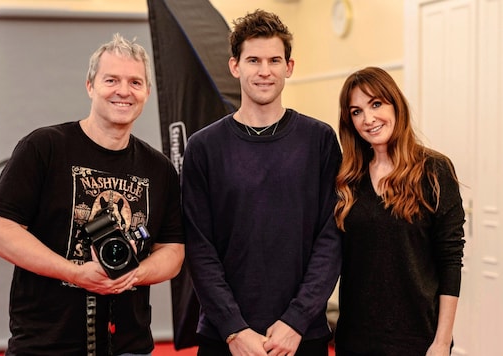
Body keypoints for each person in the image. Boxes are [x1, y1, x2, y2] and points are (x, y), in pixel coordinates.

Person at [0, 33, 185, 356]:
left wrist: (135, 274)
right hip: (45, 345)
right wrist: (76, 273)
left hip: (128, 346)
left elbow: (173, 250)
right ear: (90, 86)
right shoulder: (43, 148)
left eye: (135, 82)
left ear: (148, 91)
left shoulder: (159, 169)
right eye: (111, 80)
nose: (123, 91)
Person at [181, 9, 343, 356]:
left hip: (301, 336)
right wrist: (234, 328)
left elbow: (331, 238)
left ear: (290, 67)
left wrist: (297, 320)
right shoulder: (203, 147)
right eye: (253, 60)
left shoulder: (319, 140)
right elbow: (199, 247)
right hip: (224, 337)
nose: (265, 71)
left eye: (274, 60)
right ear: (235, 66)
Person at [333, 66, 465, 356]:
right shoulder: (347, 180)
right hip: (356, 338)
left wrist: (442, 342)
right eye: (356, 111)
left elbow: (451, 260)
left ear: (396, 103)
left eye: (376, 104)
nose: (368, 119)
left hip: (418, 339)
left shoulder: (434, 170)